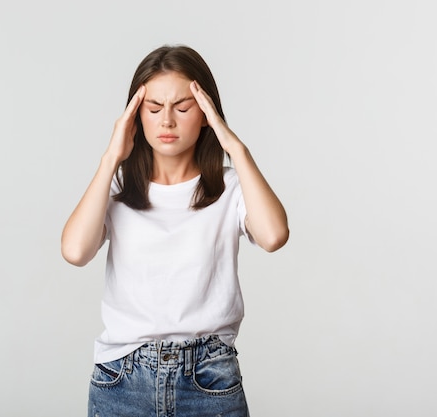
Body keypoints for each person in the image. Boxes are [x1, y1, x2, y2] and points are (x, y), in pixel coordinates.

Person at [61, 45, 289, 417]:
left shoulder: (231, 188)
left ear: (206, 113)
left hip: (209, 377)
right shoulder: (116, 187)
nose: (167, 120)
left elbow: (274, 236)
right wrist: (109, 159)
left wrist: (234, 146)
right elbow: (74, 251)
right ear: (136, 117)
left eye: (183, 108)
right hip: (123, 378)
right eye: (153, 109)